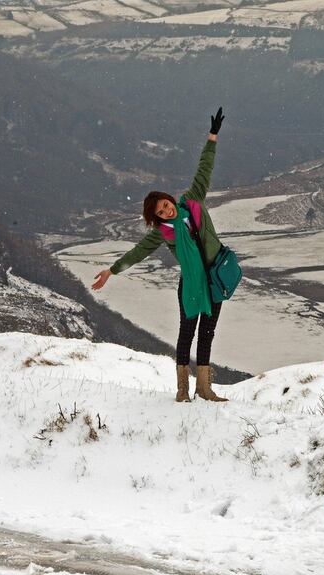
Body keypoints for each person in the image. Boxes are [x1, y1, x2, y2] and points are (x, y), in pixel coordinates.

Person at [92, 108, 229, 403]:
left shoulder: (192, 202)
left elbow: (204, 169)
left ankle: (204, 389)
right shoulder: (163, 234)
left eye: (166, 205)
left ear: (170, 200)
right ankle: (182, 390)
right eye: (161, 212)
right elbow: (138, 252)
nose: (167, 210)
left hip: (213, 280)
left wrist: (212, 137)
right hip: (192, 286)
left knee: (208, 333)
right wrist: (111, 271)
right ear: (156, 218)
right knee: (187, 334)